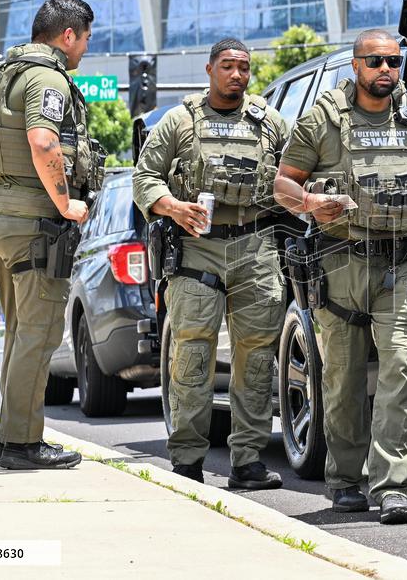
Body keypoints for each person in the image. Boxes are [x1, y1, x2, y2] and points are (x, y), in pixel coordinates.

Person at [274, 29, 407, 524]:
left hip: (402, 263)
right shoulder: (323, 118)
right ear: (355, 66)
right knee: (341, 378)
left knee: (401, 369)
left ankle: (392, 486)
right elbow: (282, 182)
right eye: (376, 62)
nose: (386, 69)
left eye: (393, 61)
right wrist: (308, 203)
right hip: (340, 263)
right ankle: (345, 478)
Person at [133, 38, 289, 489]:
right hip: (196, 246)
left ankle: (248, 462)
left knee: (257, 358)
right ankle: (187, 462)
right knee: (193, 355)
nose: (236, 75)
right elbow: (145, 176)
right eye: (227, 66)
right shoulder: (180, 121)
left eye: (243, 67)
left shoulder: (269, 122)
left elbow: (297, 171)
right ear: (209, 69)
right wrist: (172, 207)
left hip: (255, 246)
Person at [0, 0, 102, 470]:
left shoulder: (3, 74)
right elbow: (43, 140)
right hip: (33, 223)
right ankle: (22, 444)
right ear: (68, 34)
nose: (86, 47)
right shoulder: (47, 77)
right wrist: (66, 201)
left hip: (0, 219)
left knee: (20, 333)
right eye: (86, 38)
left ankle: (11, 437)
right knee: (39, 334)